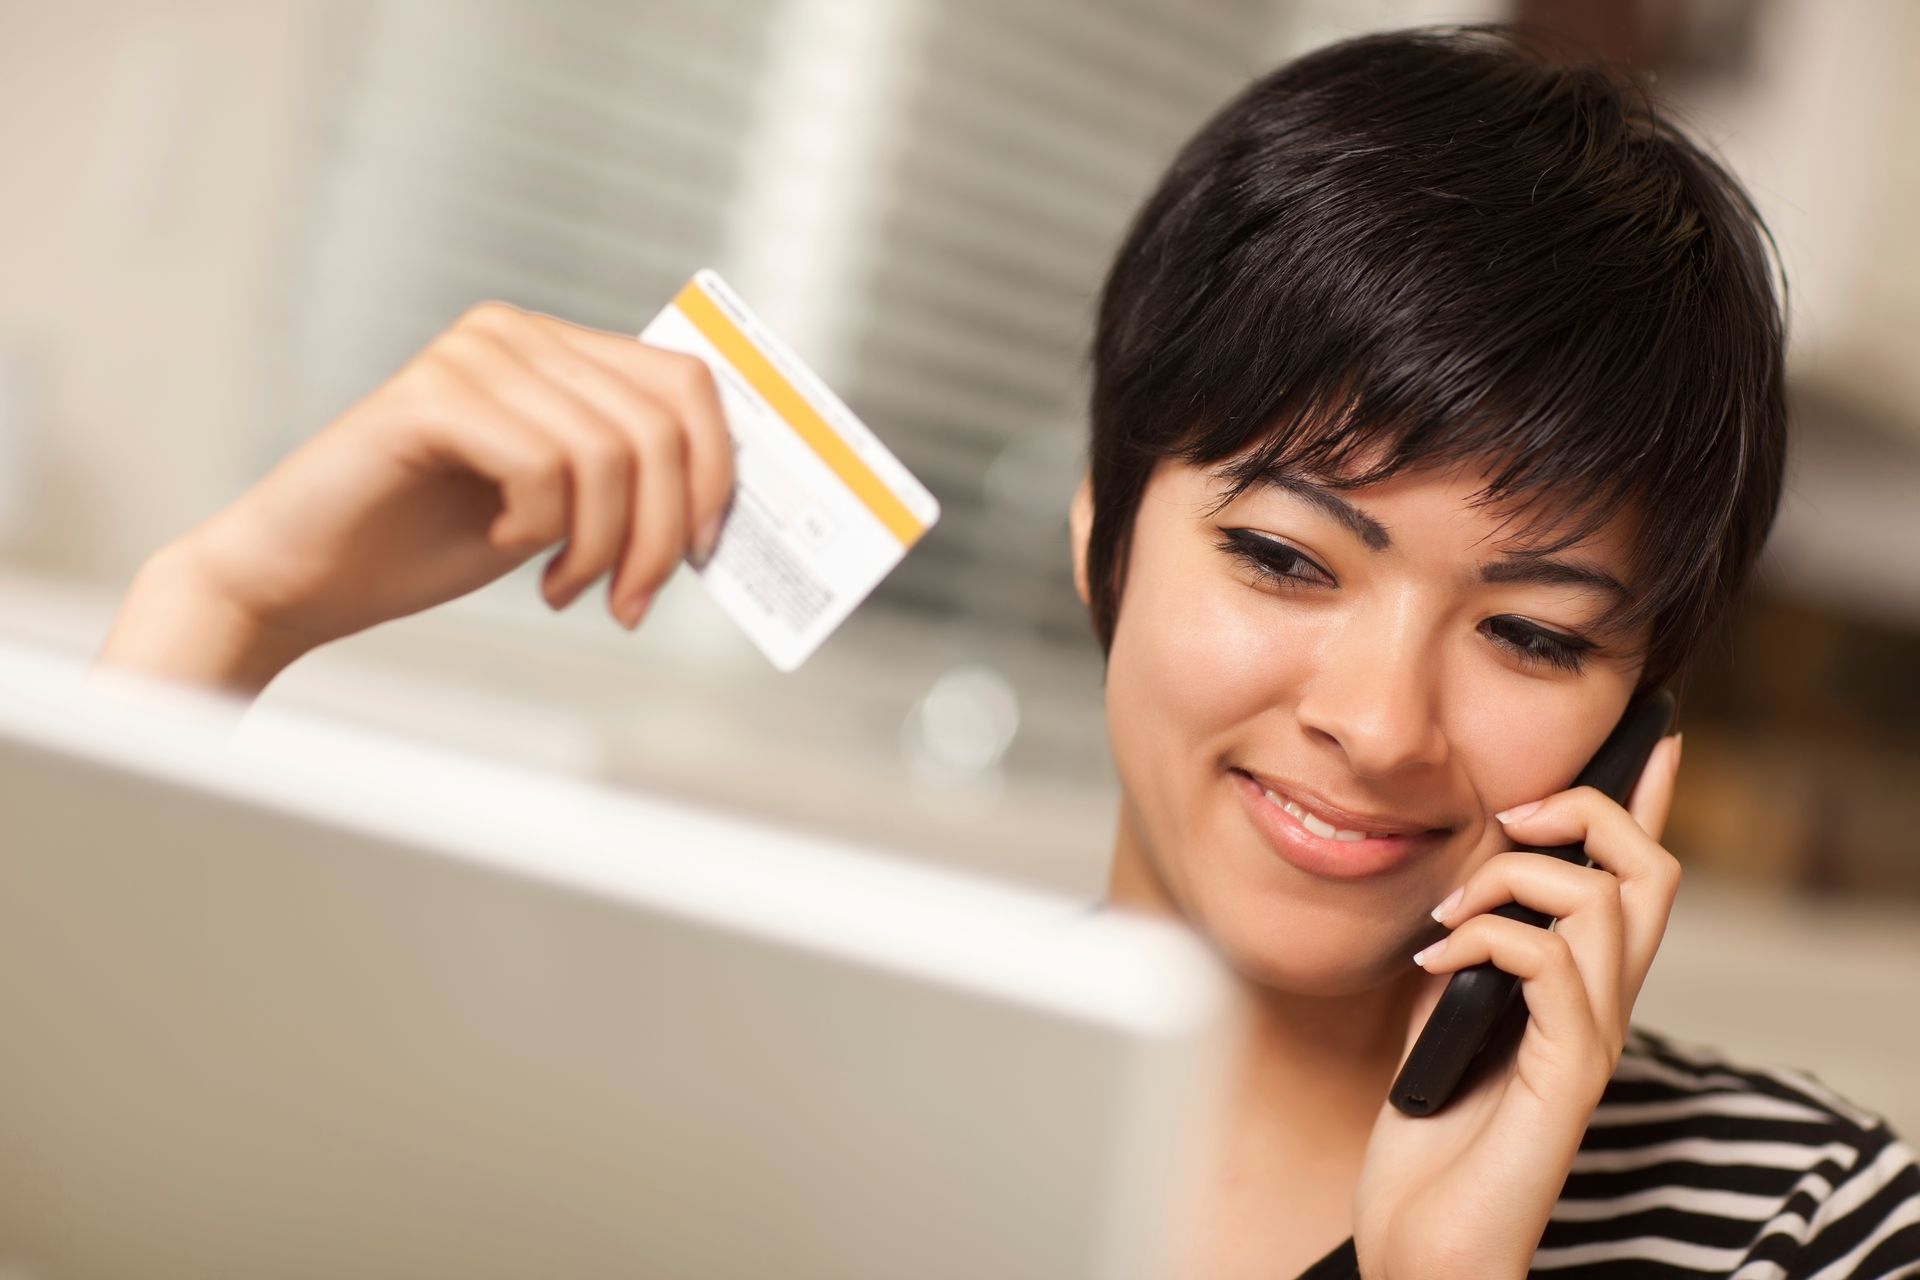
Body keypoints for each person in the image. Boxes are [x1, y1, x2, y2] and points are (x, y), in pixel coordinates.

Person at [95, 23, 1918, 1280]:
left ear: (1638, 711)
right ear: (1098, 533)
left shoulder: (1819, 1227)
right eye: (1286, 557)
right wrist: (223, 610)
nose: (1375, 725)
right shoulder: (778, 1108)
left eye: (1529, 633)